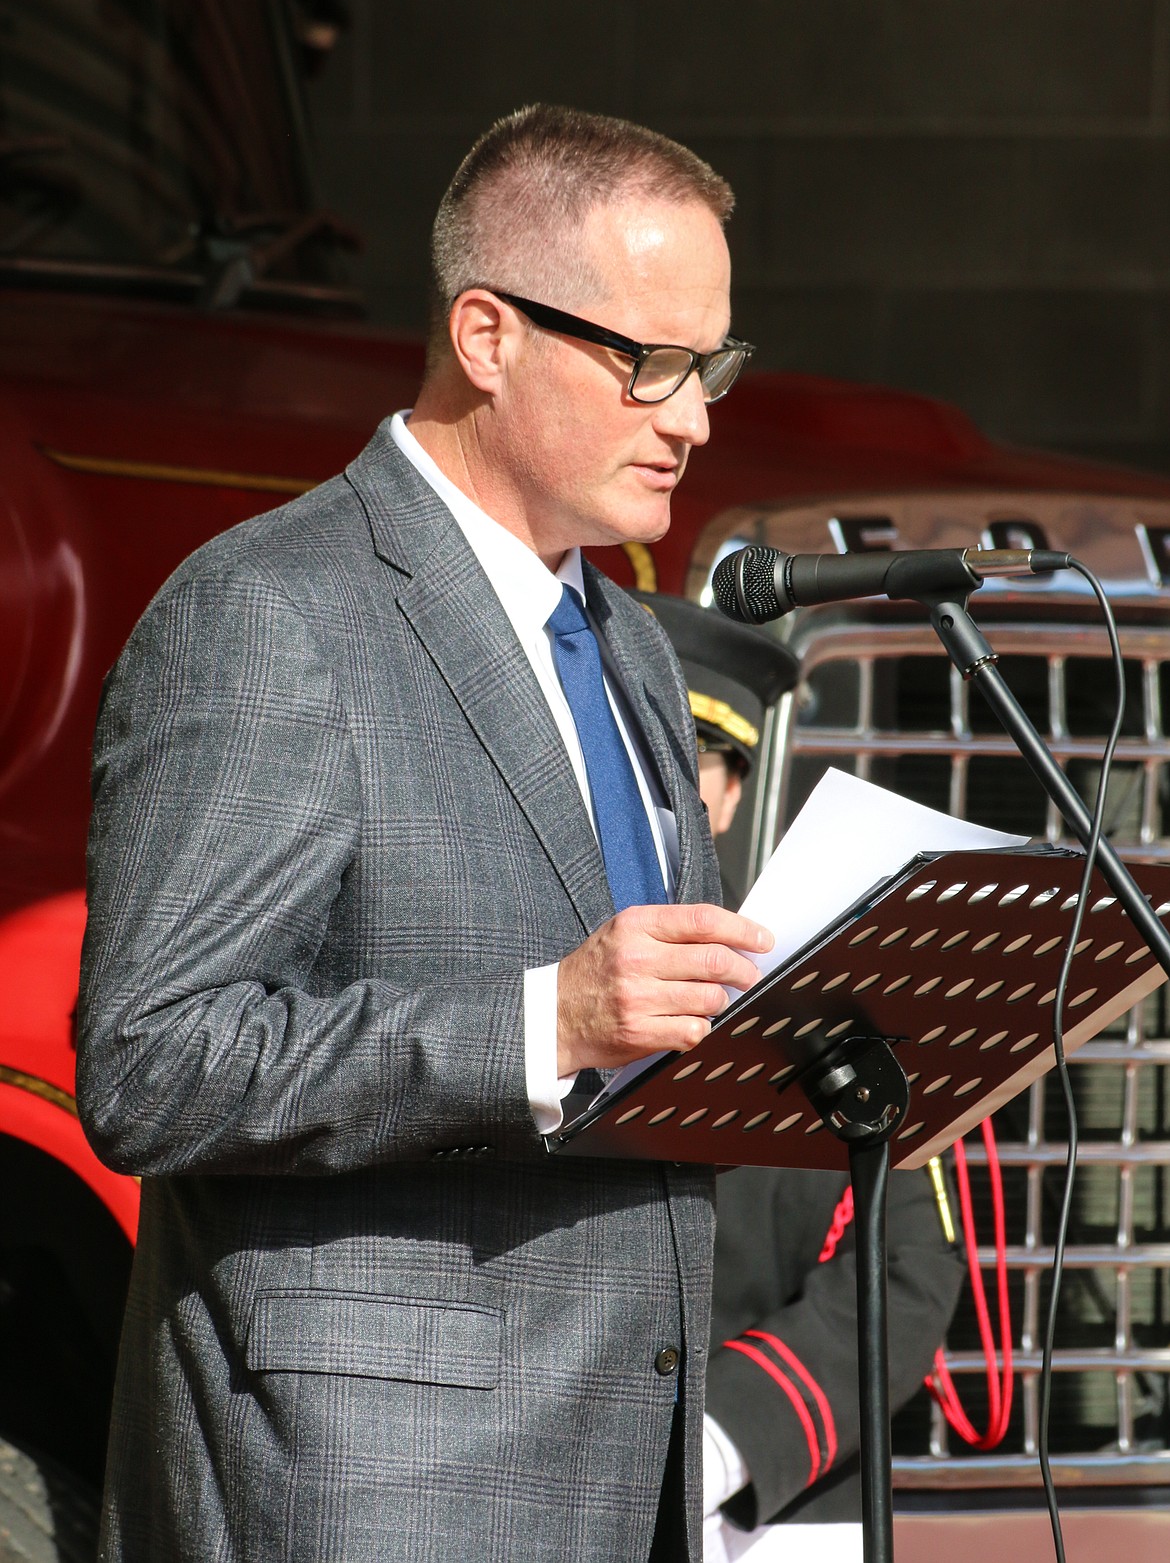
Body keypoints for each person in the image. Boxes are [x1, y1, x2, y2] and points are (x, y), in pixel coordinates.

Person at [75, 104, 776, 1563]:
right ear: (486, 332)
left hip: (625, 1463)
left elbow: (639, 1051)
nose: (694, 414)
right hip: (374, 1482)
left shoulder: (629, 640)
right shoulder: (270, 612)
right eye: (649, 361)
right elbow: (149, 1062)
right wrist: (538, 1021)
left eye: (710, 364)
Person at [637, 595, 965, 1563]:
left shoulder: (832, 997)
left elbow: (907, 1271)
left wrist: (722, 1440)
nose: (668, 794)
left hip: (770, 1515)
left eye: (695, 764)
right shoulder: (529, 994)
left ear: (733, 792)